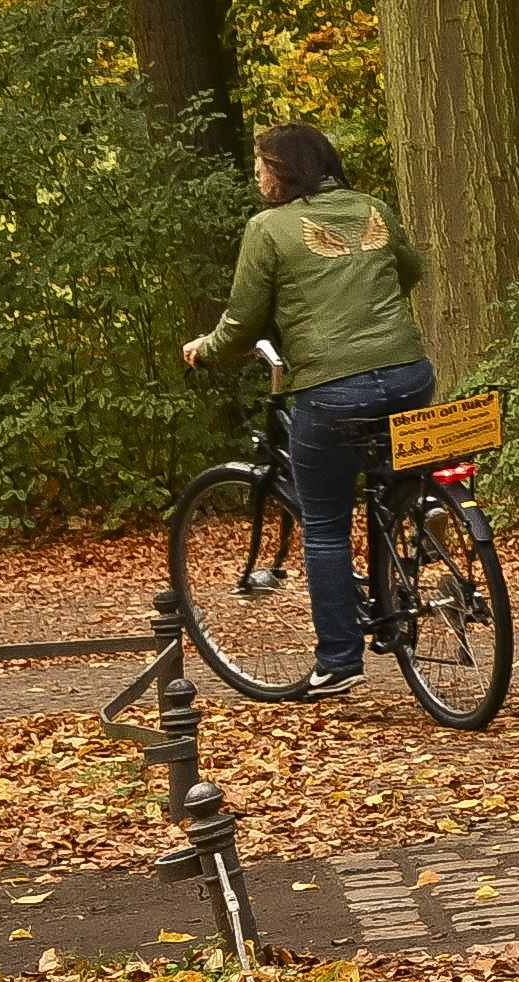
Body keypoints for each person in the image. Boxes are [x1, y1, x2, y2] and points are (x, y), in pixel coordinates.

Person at [182, 120, 434, 686]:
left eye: (260, 165)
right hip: (411, 373)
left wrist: (207, 350)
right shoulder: (371, 207)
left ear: (284, 170)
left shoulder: (268, 228)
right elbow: (409, 271)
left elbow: (243, 319)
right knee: (391, 485)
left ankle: (339, 660)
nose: (256, 176)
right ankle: (414, 562)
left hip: (331, 389)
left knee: (324, 523)